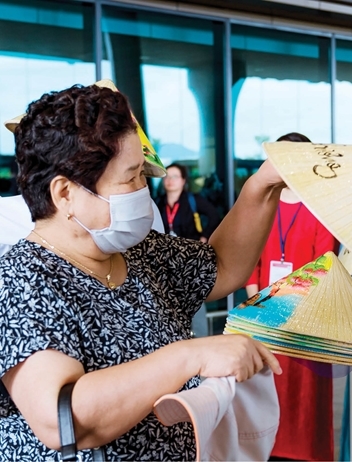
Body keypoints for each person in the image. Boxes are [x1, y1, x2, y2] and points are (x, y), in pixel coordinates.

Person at [0, 84, 285, 460]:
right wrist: (190, 357)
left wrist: (262, 186)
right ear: (65, 193)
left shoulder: (137, 252)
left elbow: (222, 266)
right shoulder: (21, 278)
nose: (143, 190)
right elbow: (61, 417)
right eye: (130, 178)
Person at [244, 131, 338, 462]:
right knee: (267, 391)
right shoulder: (261, 204)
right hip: (265, 315)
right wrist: (261, 309)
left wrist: (292, 312)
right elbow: (250, 263)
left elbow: (323, 268)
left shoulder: (320, 208)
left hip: (305, 319)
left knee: (306, 400)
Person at [157, 163, 221, 242]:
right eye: (167, 176)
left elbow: (214, 216)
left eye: (175, 177)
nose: (170, 180)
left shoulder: (193, 199)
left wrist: (205, 236)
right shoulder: (158, 202)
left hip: (189, 248)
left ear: (183, 180)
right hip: (166, 249)